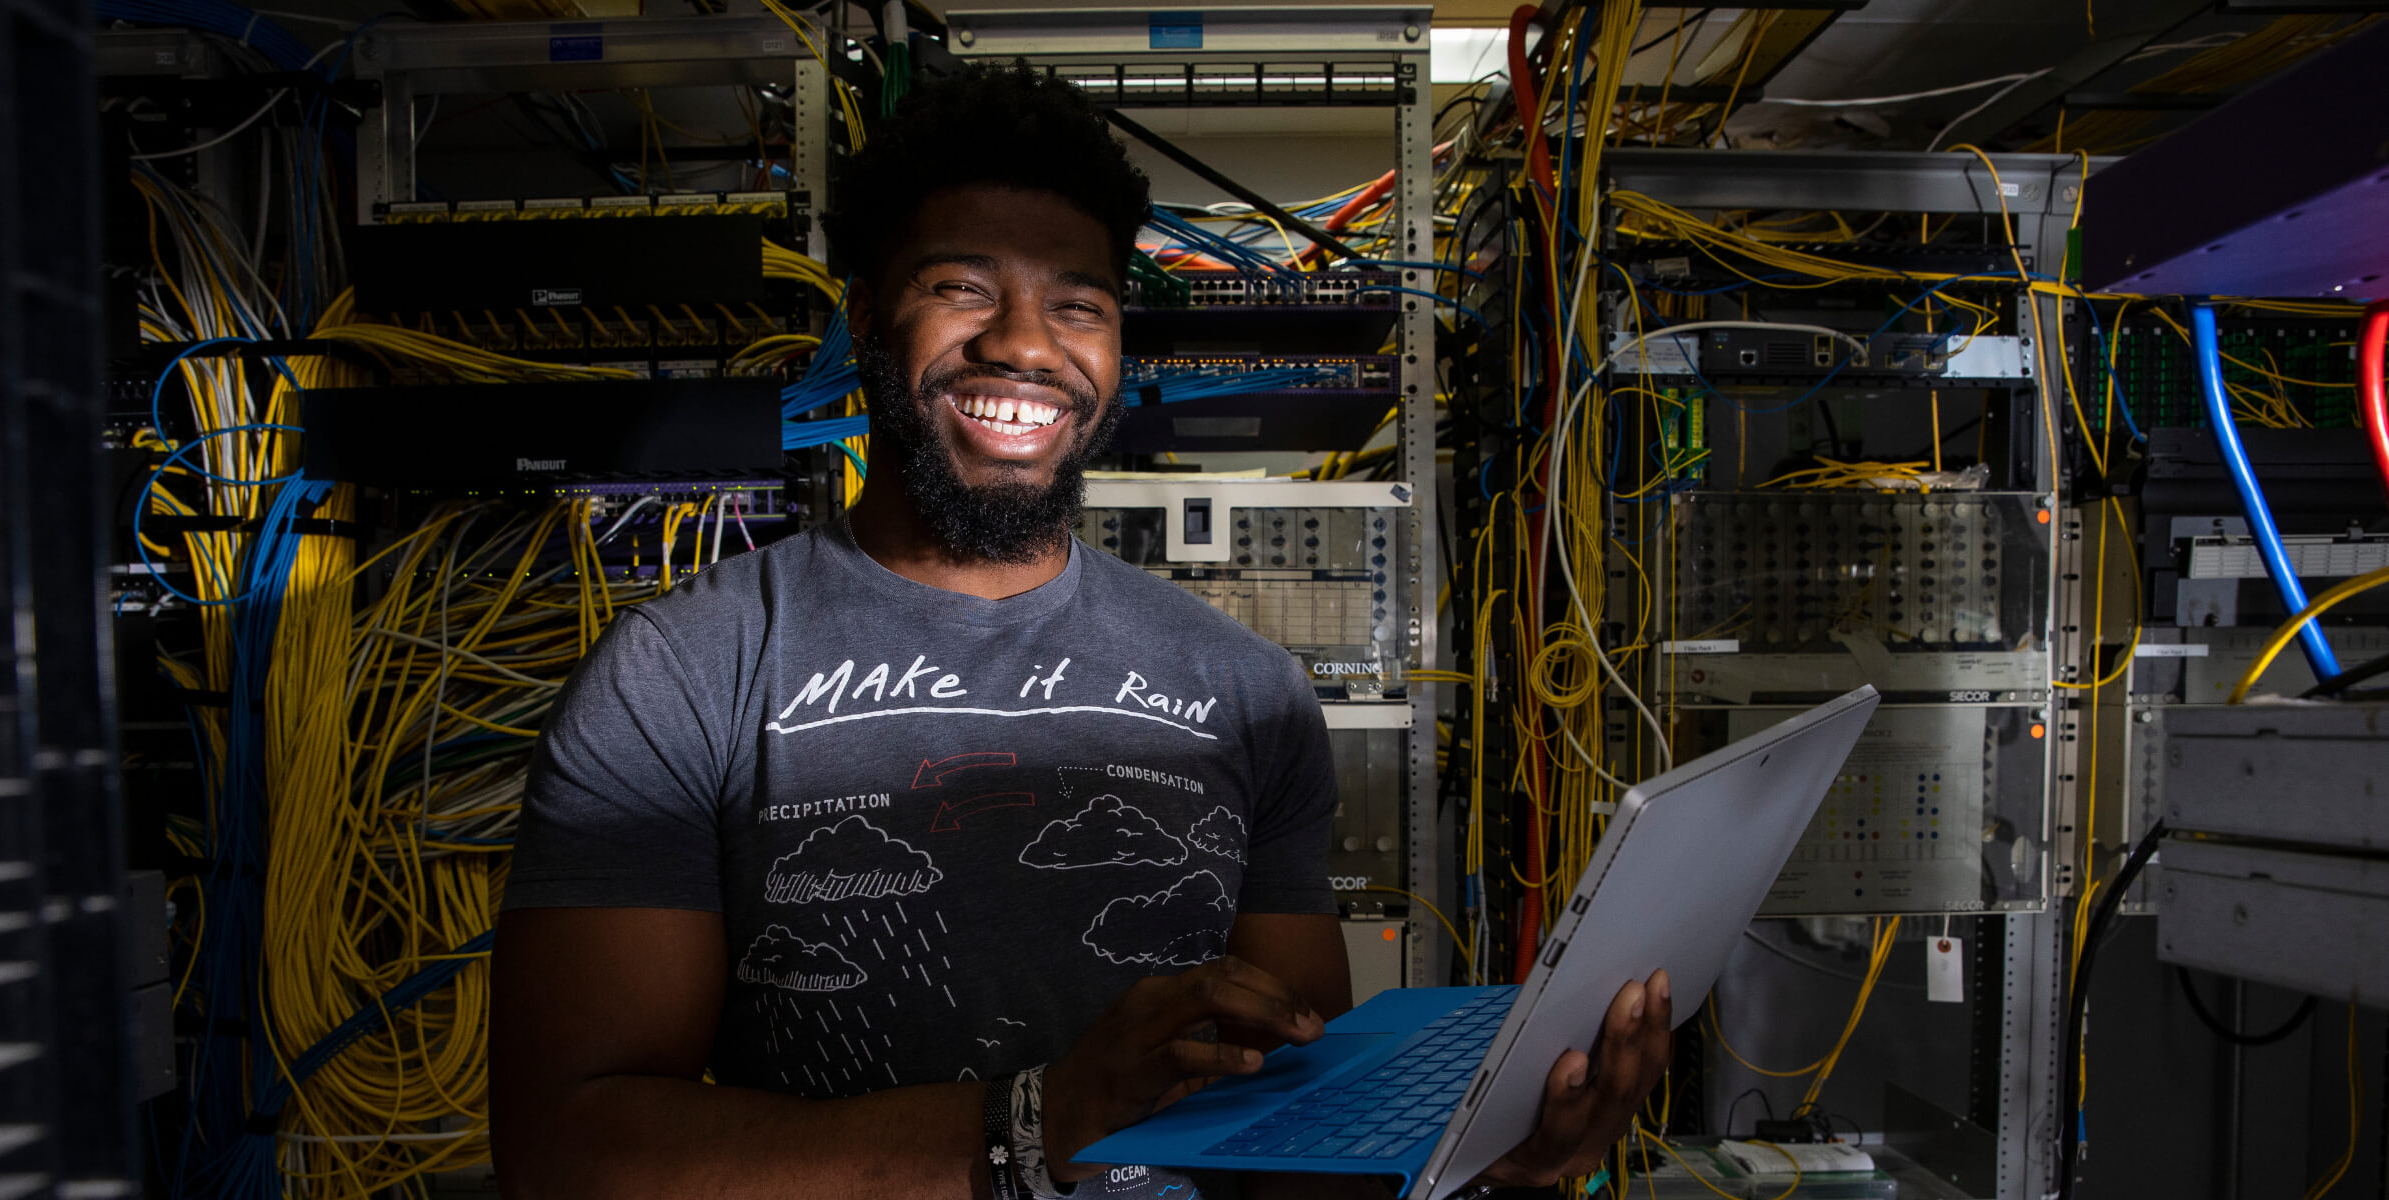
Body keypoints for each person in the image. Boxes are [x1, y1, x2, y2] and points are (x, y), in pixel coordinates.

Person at [489, 62, 1670, 1200]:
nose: (1021, 344)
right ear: (863, 319)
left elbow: (1296, 1120)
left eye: (1077, 305)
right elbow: (569, 1146)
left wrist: (1474, 1152)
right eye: (961, 288)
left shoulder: (1246, 691)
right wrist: (1031, 1128)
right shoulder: (682, 676)